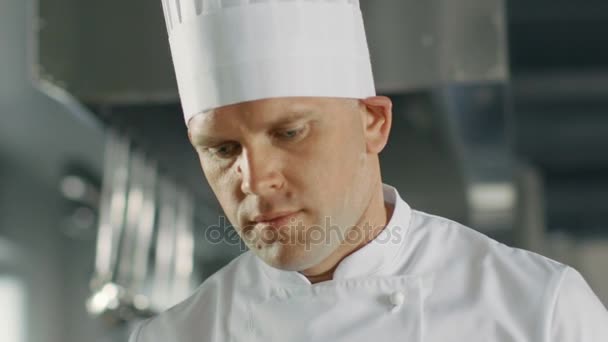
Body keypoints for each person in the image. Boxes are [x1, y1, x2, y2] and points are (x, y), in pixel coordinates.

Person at [130, 1, 608, 341]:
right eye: (222, 148)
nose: (254, 181)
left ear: (373, 123)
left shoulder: (539, 310)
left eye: (289, 132)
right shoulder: (175, 335)